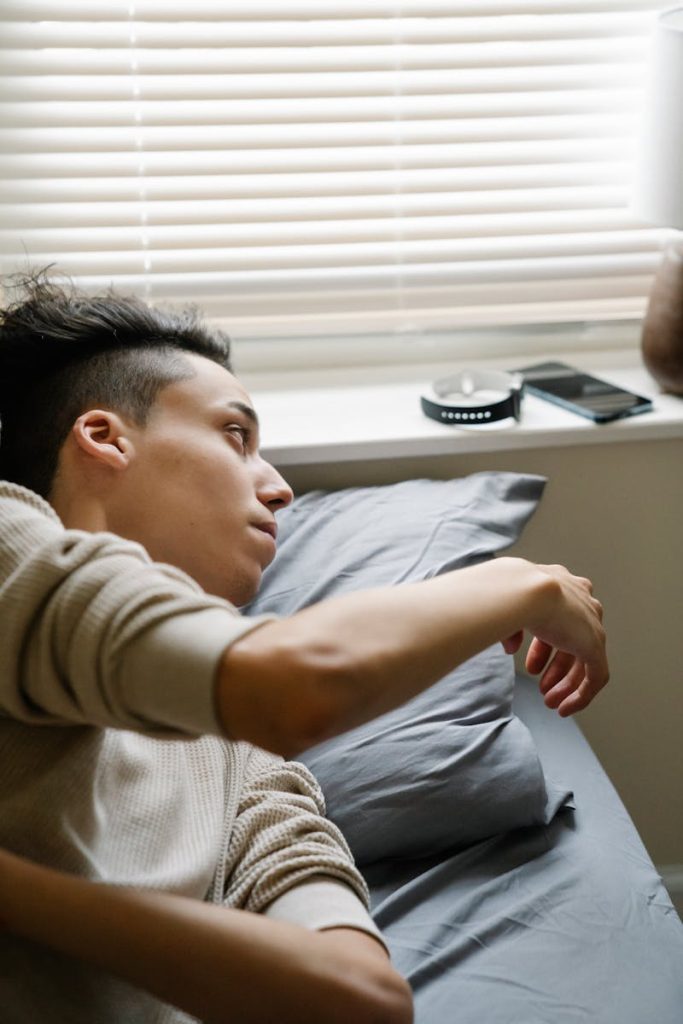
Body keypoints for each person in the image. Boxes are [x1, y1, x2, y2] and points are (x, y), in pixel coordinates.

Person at [0, 272, 608, 1024]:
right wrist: (518, 583)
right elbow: (290, 685)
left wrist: (23, 897)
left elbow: (361, 999)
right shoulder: (10, 548)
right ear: (105, 438)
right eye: (236, 436)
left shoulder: (246, 760)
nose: (280, 488)